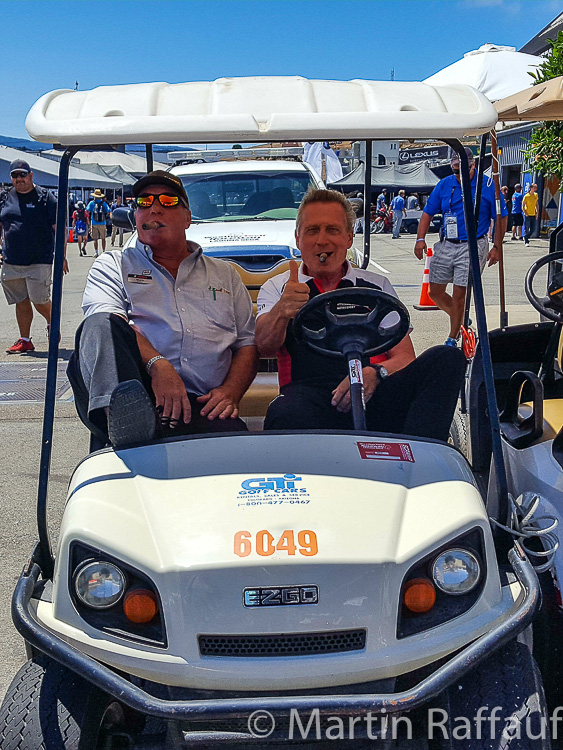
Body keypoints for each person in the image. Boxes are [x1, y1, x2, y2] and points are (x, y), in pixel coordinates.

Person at [255, 188, 465, 442]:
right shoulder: (278, 287)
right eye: (312, 230)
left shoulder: (376, 286)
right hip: (310, 395)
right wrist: (282, 310)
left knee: (447, 358)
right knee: (283, 412)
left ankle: (420, 456)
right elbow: (264, 346)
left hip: (376, 391)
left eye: (332, 230)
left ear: (349, 238)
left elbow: (404, 357)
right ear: (298, 239)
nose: (322, 241)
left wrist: (376, 373)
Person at [67, 170, 258, 448]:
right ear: (135, 216)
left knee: (240, 451)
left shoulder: (224, 274)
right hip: (141, 396)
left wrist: (230, 392)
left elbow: (247, 343)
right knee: (99, 323)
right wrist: (158, 365)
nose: (154, 208)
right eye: (143, 202)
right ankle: (121, 422)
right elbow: (106, 327)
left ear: (188, 218)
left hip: (202, 404)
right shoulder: (113, 265)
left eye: (168, 201)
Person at [414, 147, 507, 347]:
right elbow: (428, 212)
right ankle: (461, 317)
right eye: (455, 170)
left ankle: (452, 337)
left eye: (462, 170)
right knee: (434, 292)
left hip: (473, 244)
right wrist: (420, 239)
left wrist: (497, 246)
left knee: (459, 293)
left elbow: (501, 217)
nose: (459, 175)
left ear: (472, 166)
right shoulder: (445, 184)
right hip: (448, 242)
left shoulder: (487, 185)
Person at [0, 159, 68, 354]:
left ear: (31, 175)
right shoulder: (5, 197)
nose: (19, 179)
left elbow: (59, 229)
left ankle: (52, 323)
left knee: (39, 300)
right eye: (15, 175)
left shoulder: (45, 198)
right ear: (11, 177)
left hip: (39, 260)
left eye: (23, 175)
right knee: (20, 300)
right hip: (12, 260)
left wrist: (61, 256)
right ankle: (25, 340)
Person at [86, 189, 110, 256]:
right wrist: (105, 217)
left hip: (94, 223)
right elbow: (108, 211)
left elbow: (87, 211)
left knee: (95, 239)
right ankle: (103, 251)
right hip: (103, 223)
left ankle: (96, 252)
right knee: (103, 238)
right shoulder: (104, 203)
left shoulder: (92, 203)